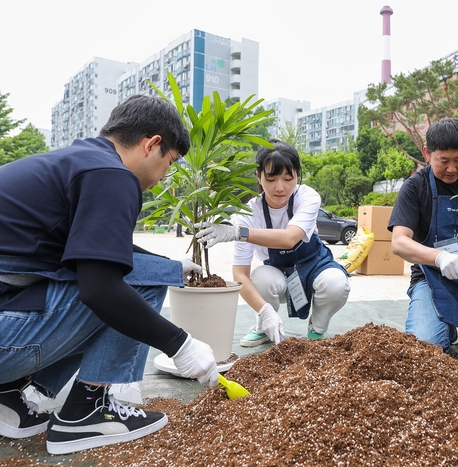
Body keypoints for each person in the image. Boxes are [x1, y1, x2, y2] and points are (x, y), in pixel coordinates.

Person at [0, 95, 220, 455]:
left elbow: (92, 248)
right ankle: (87, 411)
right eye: (171, 162)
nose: (165, 176)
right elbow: (99, 287)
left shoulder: (77, 161)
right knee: (145, 279)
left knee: (145, 269)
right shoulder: (112, 175)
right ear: (152, 145)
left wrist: (166, 261)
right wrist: (181, 345)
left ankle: (17, 395)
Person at [196, 139, 350, 347]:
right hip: (279, 274)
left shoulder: (307, 197)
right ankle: (263, 326)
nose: (280, 188)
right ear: (258, 177)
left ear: (297, 175)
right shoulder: (249, 212)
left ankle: (318, 329)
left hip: (316, 266)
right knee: (260, 278)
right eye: (271, 179)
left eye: (288, 178)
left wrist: (238, 233)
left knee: (336, 283)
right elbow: (240, 275)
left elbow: (289, 238)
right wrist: (264, 310)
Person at [389, 118, 458, 353]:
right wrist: (440, 258)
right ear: (427, 154)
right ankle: (446, 321)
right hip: (434, 280)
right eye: (443, 161)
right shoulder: (415, 187)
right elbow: (399, 243)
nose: (452, 169)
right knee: (427, 347)